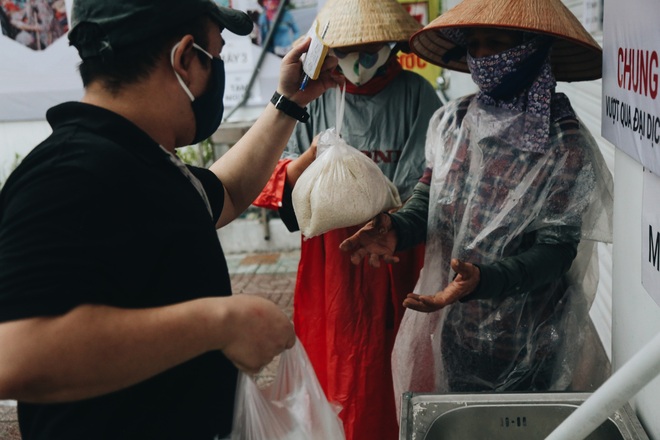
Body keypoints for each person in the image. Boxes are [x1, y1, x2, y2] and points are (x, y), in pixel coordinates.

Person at [0, 1, 339, 439]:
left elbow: (228, 192)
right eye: (215, 55)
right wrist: (223, 323)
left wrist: (289, 102)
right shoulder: (70, 173)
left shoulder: (142, 160)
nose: (216, 70)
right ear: (184, 58)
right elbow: (18, 354)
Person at [340, 0, 614, 414]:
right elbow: (431, 199)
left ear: (532, 49)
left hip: (535, 340)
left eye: (498, 43)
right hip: (460, 331)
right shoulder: (454, 122)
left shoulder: (565, 142)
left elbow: (557, 251)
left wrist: (485, 279)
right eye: (475, 43)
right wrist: (395, 229)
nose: (482, 55)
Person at [252, 0, 441, 438]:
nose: (357, 56)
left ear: (389, 43)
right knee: (331, 368)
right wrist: (311, 166)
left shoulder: (418, 95)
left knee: (391, 370)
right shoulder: (310, 97)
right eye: (347, 46)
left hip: (393, 258)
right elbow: (278, 176)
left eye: (368, 44)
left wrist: (386, 214)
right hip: (329, 266)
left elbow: (426, 183)